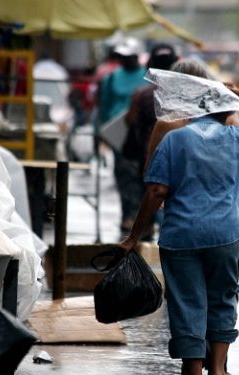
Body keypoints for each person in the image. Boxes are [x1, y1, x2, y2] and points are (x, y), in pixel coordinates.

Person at [119, 59, 239, 375]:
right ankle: (219, 373)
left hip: (181, 233)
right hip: (227, 231)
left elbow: (155, 188)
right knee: (222, 297)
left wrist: (134, 236)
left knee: (187, 303)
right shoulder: (235, 130)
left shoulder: (170, 133)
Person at [119, 44, 179, 238]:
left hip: (151, 156)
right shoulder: (185, 96)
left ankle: (145, 246)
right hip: (180, 157)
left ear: (151, 65)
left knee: (150, 201)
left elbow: (130, 121)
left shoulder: (142, 94)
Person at [95, 41, 147, 232]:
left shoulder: (147, 76)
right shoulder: (111, 79)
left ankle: (145, 219)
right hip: (119, 133)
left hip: (142, 133)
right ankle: (127, 215)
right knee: (123, 174)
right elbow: (104, 107)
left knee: (145, 174)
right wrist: (99, 133)